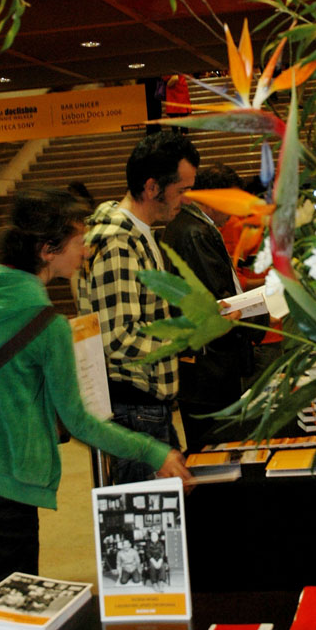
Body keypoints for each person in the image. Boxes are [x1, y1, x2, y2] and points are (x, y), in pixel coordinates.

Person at [0, 187, 192, 597]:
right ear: (48, 250)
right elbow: (79, 421)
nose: (87, 251)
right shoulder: (48, 327)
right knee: (2, 611)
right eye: (79, 241)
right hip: (0, 488)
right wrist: (153, 451)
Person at [77, 131, 200, 482]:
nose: (185, 200)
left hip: (142, 407)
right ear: (151, 187)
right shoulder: (118, 241)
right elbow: (117, 337)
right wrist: (186, 338)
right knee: (144, 514)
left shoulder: (135, 233)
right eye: (181, 190)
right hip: (134, 409)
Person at [162, 163, 261, 452]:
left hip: (203, 359)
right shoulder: (195, 231)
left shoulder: (191, 226)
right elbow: (219, 300)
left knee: (213, 447)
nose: (234, 211)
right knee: (216, 448)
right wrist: (255, 305)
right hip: (210, 362)